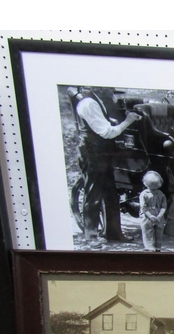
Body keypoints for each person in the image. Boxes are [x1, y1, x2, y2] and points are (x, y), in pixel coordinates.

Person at [69, 86, 142, 249]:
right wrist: (128, 121)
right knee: (94, 192)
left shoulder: (100, 100)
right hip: (92, 152)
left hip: (102, 152)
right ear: (97, 87)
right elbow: (107, 132)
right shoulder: (88, 103)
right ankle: (91, 236)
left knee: (110, 192)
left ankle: (114, 232)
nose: (111, 91)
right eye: (108, 88)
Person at [139, 170, 167, 251]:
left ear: (145, 183)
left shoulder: (143, 194)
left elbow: (143, 207)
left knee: (147, 232)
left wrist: (151, 216)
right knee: (159, 232)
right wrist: (159, 216)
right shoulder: (161, 194)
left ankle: (149, 248)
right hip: (159, 217)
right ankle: (158, 248)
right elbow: (164, 207)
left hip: (147, 217)